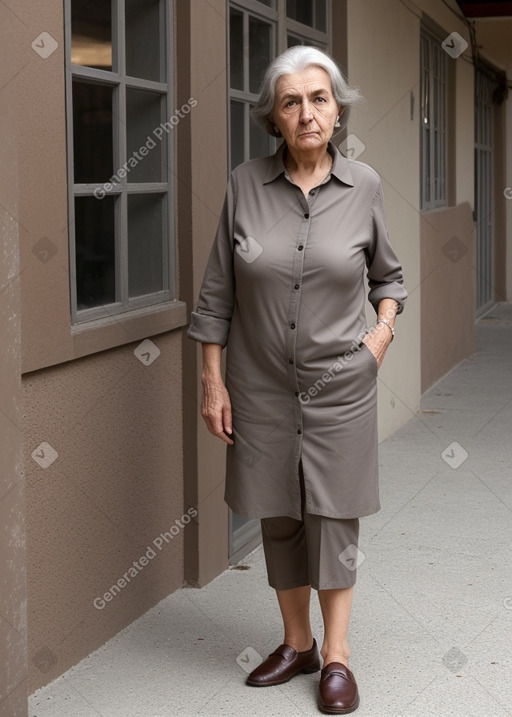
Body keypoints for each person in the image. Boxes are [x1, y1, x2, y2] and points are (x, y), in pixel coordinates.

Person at [187, 45, 407, 715]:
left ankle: (337, 658)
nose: (307, 112)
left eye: (319, 98)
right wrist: (213, 381)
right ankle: (296, 642)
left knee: (334, 519)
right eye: (291, 101)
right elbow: (217, 294)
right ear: (273, 117)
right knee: (279, 517)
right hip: (258, 388)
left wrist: (379, 338)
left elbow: (388, 279)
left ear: (336, 110)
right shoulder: (244, 186)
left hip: (341, 386)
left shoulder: (363, 185)